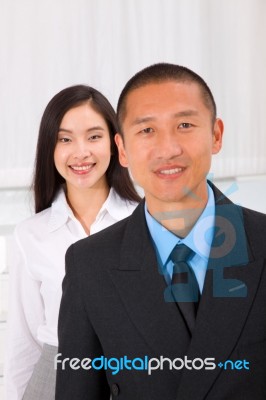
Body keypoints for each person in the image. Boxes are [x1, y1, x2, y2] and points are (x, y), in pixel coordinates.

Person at [55, 64, 266, 400]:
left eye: (184, 125)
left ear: (216, 135)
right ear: (122, 150)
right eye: (147, 130)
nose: (168, 149)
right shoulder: (89, 264)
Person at [4, 84, 141, 400]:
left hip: (132, 374)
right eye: (65, 139)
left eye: (94, 136)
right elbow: (23, 343)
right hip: (52, 377)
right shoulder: (30, 234)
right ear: (50, 149)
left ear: (115, 144)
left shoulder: (145, 223)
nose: (80, 152)